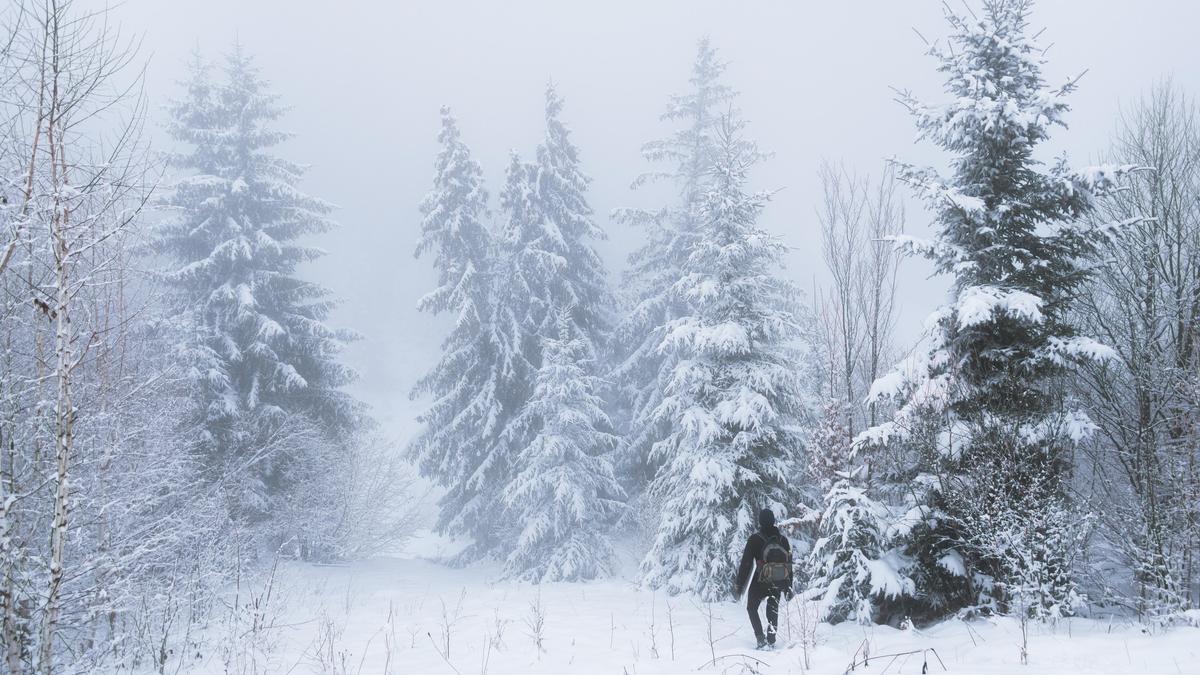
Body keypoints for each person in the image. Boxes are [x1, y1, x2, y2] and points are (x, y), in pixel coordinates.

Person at [734, 508, 794, 649]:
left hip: (759, 582)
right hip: (778, 581)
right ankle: (771, 640)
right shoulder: (783, 540)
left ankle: (761, 639)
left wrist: (739, 585)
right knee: (773, 609)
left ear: (760, 521)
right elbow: (789, 565)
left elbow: (746, 564)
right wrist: (788, 587)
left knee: (751, 608)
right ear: (773, 521)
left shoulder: (755, 539)